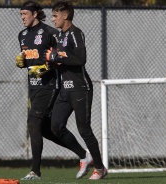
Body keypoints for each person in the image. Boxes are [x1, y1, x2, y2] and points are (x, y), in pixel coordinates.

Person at [15, 0, 91, 180]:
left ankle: (35, 171)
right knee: (47, 129)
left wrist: (47, 67)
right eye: (21, 15)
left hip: (49, 86)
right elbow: (29, 59)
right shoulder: (22, 35)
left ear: (35, 14)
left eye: (25, 14)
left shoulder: (51, 33)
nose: (22, 18)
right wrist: (22, 63)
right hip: (33, 86)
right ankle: (83, 154)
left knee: (33, 122)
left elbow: (61, 58)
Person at [45, 1, 107, 180]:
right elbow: (61, 61)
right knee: (55, 126)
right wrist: (50, 63)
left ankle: (100, 168)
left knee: (84, 129)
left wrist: (57, 57)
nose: (52, 19)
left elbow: (80, 59)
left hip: (81, 88)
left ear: (65, 15)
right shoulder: (59, 36)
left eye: (55, 15)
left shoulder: (76, 33)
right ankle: (83, 155)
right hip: (65, 90)